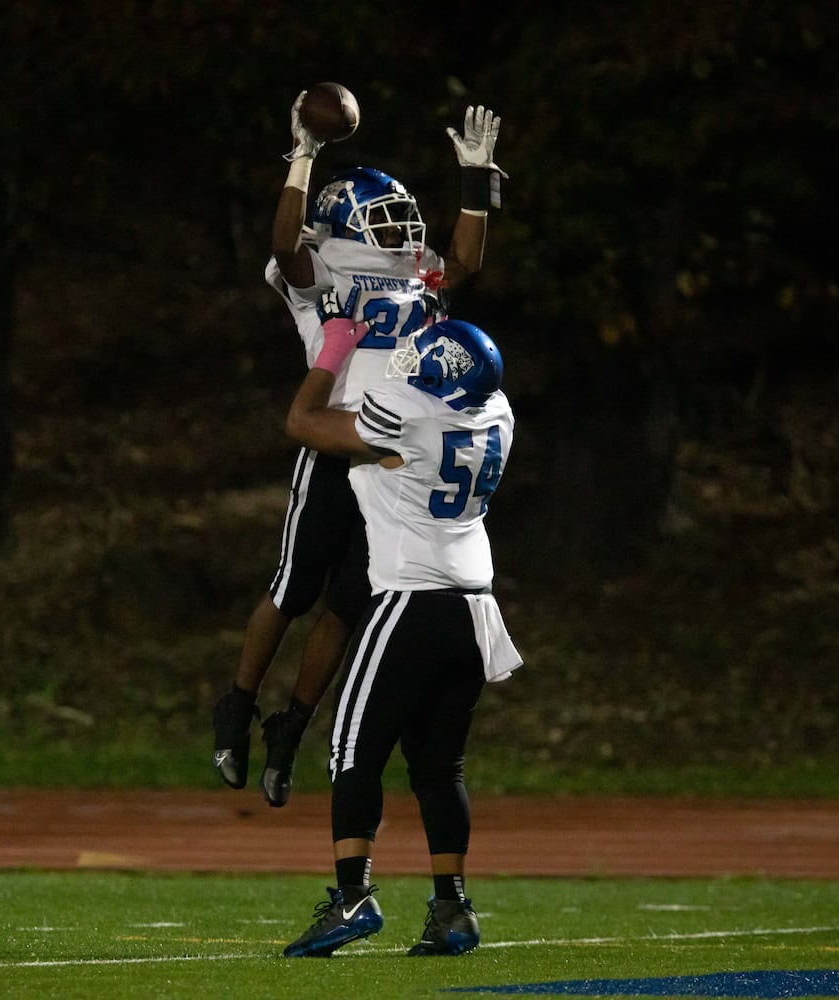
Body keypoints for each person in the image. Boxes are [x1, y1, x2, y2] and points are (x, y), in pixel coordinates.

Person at [212, 93, 506, 809]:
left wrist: (477, 182)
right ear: (343, 216)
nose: (401, 224)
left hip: (394, 461)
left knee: (349, 605)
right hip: (337, 440)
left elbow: (464, 261)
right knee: (292, 590)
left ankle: (293, 726)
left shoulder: (416, 268)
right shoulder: (322, 261)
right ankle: (236, 706)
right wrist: (303, 158)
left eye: (402, 213)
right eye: (383, 212)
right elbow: (285, 248)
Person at [278, 306, 521, 958]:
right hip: (473, 606)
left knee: (352, 750)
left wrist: (330, 355)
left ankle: (352, 898)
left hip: (409, 600)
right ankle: (452, 910)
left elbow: (303, 424)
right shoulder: (497, 412)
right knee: (439, 768)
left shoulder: (408, 416)